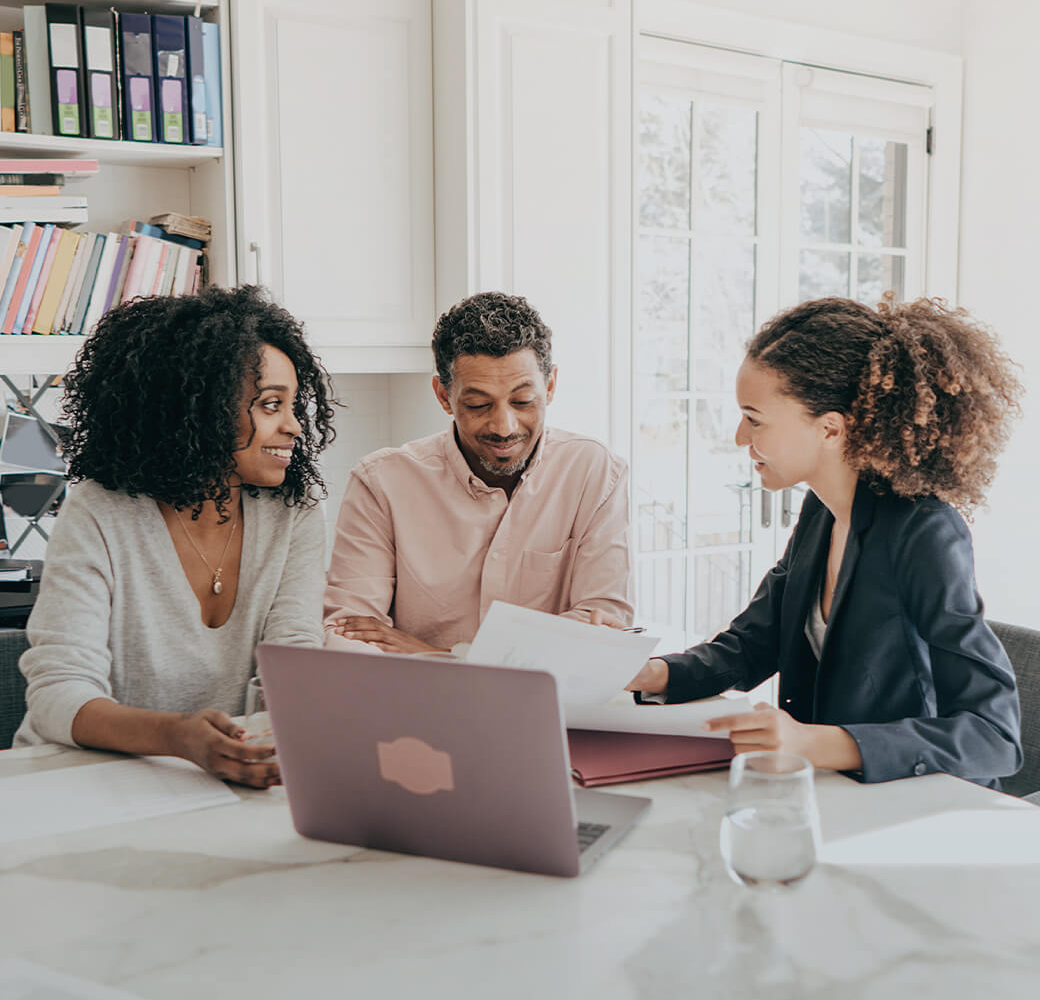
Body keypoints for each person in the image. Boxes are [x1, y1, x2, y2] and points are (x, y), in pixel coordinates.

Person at [628, 296, 1023, 787]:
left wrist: (814, 744)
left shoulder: (924, 532)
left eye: (754, 419)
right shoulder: (822, 510)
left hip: (916, 805)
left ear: (830, 428)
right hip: (834, 796)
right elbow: (753, 644)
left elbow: (994, 736)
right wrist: (647, 674)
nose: (737, 437)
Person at [14, 285, 335, 789]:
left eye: (294, 406)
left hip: (219, 780)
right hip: (78, 782)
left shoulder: (294, 513)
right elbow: (58, 695)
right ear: (200, 409)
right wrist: (178, 737)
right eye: (271, 405)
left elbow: (293, 660)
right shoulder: (100, 512)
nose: (295, 426)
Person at [325, 291, 633, 654]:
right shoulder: (380, 484)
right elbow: (349, 636)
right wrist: (541, 645)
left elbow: (604, 628)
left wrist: (436, 655)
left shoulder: (595, 473)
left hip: (547, 707)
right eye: (478, 404)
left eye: (522, 401)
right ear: (444, 396)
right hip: (415, 707)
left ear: (549, 387)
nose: (504, 426)